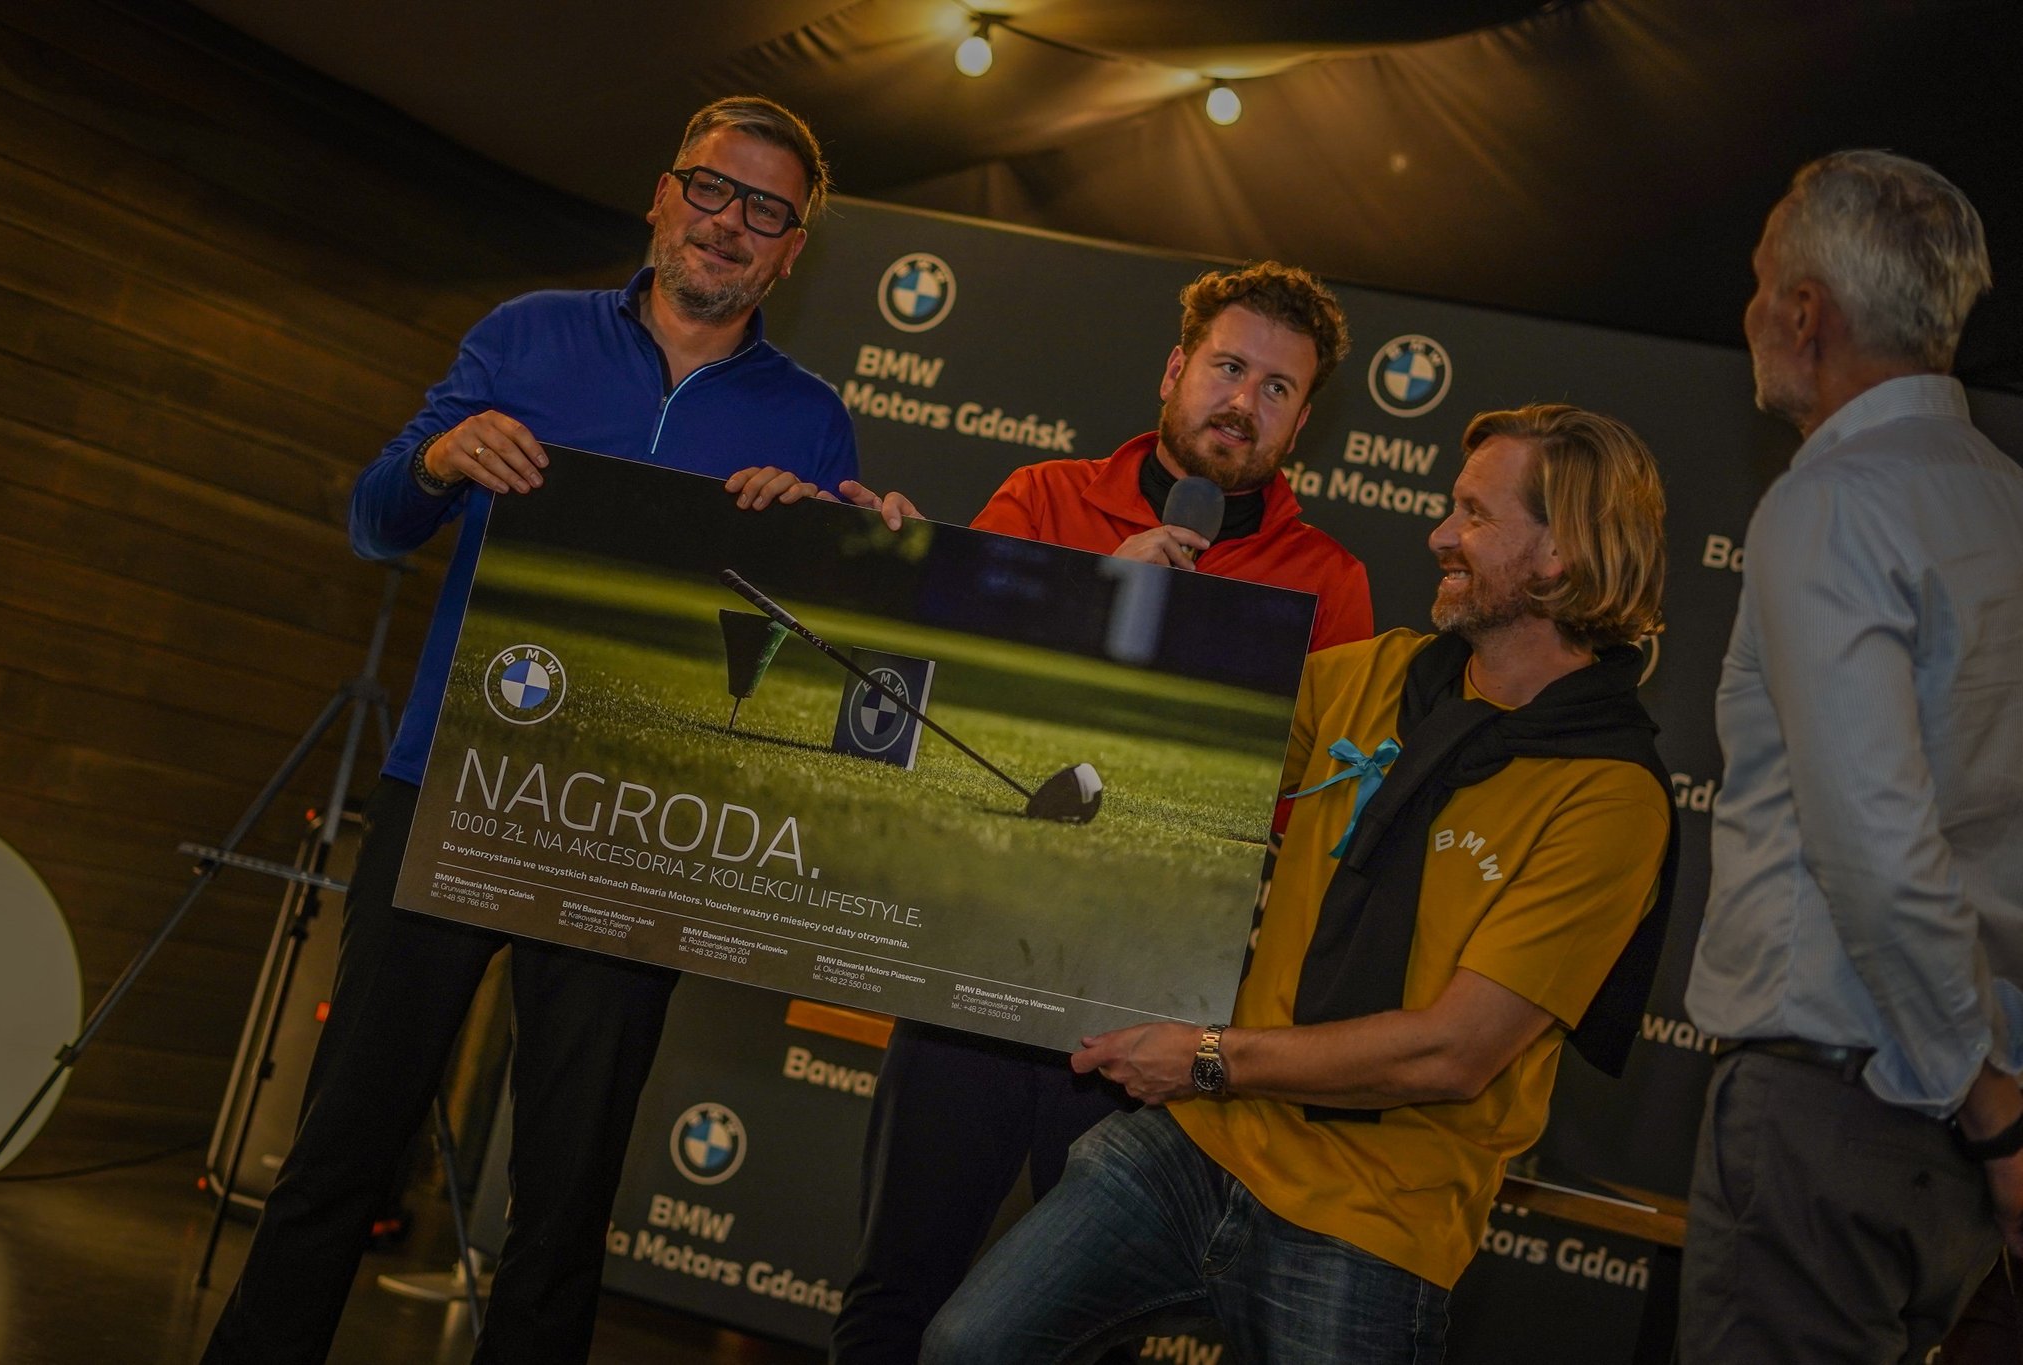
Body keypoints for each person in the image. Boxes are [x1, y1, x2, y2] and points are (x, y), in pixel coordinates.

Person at [200, 96, 856, 1365]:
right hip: (452, 786)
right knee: (341, 1148)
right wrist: (441, 457)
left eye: (765, 211)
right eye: (711, 188)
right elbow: (375, 523)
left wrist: (818, 554)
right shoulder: (524, 333)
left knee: (563, 1202)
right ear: (662, 196)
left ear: (788, 254)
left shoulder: (810, 419)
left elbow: (796, 673)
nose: (728, 222)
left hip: (642, 827)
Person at [918, 401, 1676, 1365]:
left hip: (1375, 1211)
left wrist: (1204, 1056)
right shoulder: (1373, 676)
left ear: (1559, 554)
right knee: (968, 1345)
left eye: (1476, 515)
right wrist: (1075, 601)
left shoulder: (1612, 795)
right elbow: (1155, 766)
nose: (1440, 534)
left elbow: (1453, 1053)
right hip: (1203, 1143)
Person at [830, 263, 1375, 1364]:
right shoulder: (1043, 499)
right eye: (1227, 368)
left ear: (1301, 421)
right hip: (978, 964)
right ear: (1175, 370)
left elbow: (1310, 813)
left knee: (1084, 1333)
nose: (1243, 403)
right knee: (898, 1296)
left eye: (1276, 389)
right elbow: (948, 711)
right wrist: (1088, 599)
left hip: (1150, 1010)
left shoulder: (1327, 580)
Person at [1680, 150, 2023, 1364]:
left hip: (1841, 1104)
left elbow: (1874, 846)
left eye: (1756, 283)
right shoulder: (2003, 501)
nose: (1747, 314)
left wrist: (1991, 1113)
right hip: (1946, 1149)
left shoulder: (1830, 501)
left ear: (1802, 312)